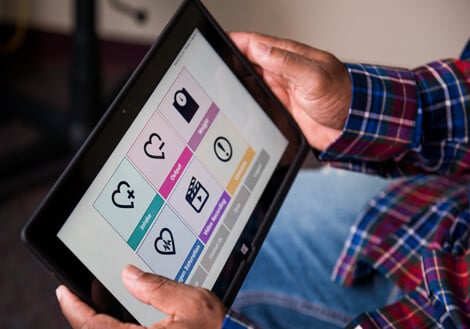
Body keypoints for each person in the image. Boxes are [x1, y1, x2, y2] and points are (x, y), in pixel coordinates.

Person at [56, 32, 470, 329]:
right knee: (245, 221)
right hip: (449, 209)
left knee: (201, 280)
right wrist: (359, 106)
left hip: (443, 303)